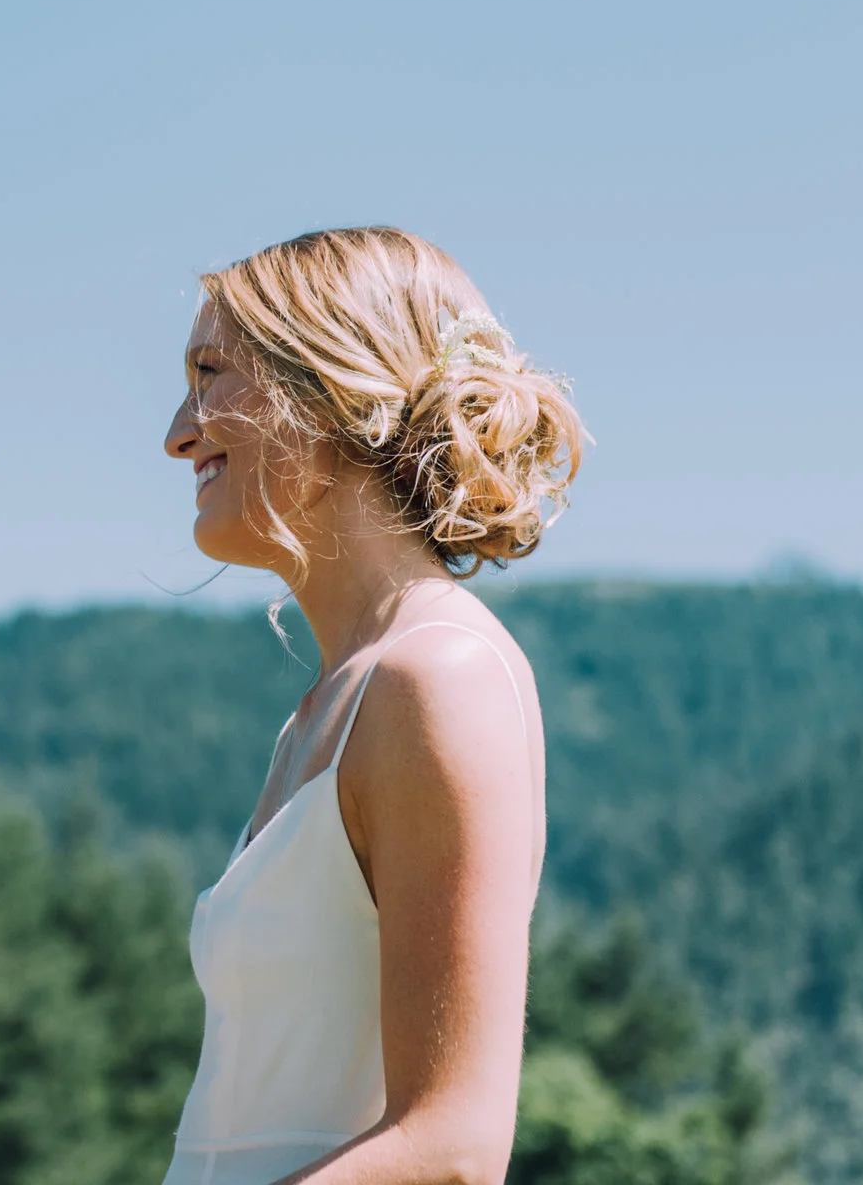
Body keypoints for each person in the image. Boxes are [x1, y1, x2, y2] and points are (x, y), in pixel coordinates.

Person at [159, 227, 581, 1185]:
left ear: (331, 388)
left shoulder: (439, 677)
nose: (178, 433)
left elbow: (454, 1149)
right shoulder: (318, 716)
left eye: (210, 373)